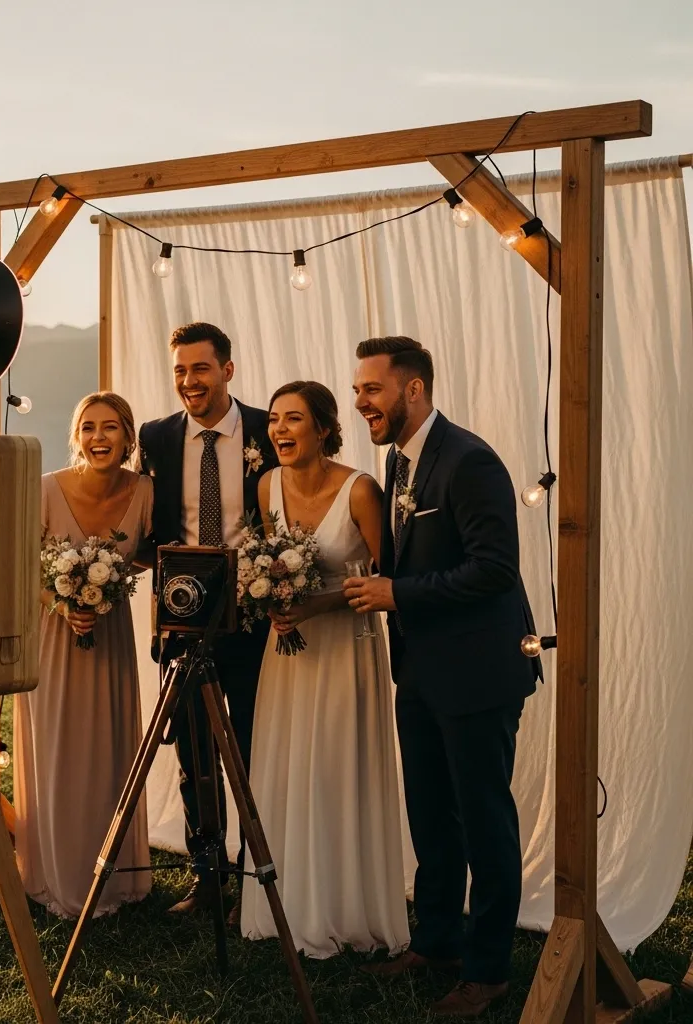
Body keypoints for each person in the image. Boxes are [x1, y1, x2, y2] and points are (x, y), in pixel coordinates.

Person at [345, 336, 542, 1017]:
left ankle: (488, 970)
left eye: (372, 388)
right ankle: (437, 942)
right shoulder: (399, 462)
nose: (360, 400)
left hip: (479, 671)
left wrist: (399, 595)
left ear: (414, 390)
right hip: (423, 673)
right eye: (358, 388)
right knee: (431, 816)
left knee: (484, 822)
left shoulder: (469, 460)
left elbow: (494, 570)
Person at [239, 381, 410, 958]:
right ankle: (289, 904)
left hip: (347, 650)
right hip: (288, 655)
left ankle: (347, 909)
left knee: (338, 765)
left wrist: (317, 602)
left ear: (323, 429)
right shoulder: (266, 487)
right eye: (275, 421)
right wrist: (271, 601)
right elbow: (269, 562)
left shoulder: (361, 490)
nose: (280, 430)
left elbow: (389, 578)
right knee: (289, 767)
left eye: (294, 420)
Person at [138, 322, 275, 923]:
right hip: (185, 622)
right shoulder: (157, 438)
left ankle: (260, 877)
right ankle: (207, 877)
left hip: (254, 623)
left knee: (254, 751)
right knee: (193, 754)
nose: (189, 382)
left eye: (200, 369)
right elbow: (145, 524)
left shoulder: (271, 429)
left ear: (228, 370)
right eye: (180, 371)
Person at [13, 391, 153, 919]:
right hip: (54, 639)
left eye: (111, 427)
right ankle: (58, 876)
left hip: (110, 642)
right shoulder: (46, 490)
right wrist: (61, 601)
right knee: (59, 752)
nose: (100, 437)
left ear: (128, 438)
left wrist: (109, 587)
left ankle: (116, 878)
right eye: (89, 427)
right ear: (76, 437)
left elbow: (148, 553)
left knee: (110, 750)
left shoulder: (146, 493)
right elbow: (22, 564)